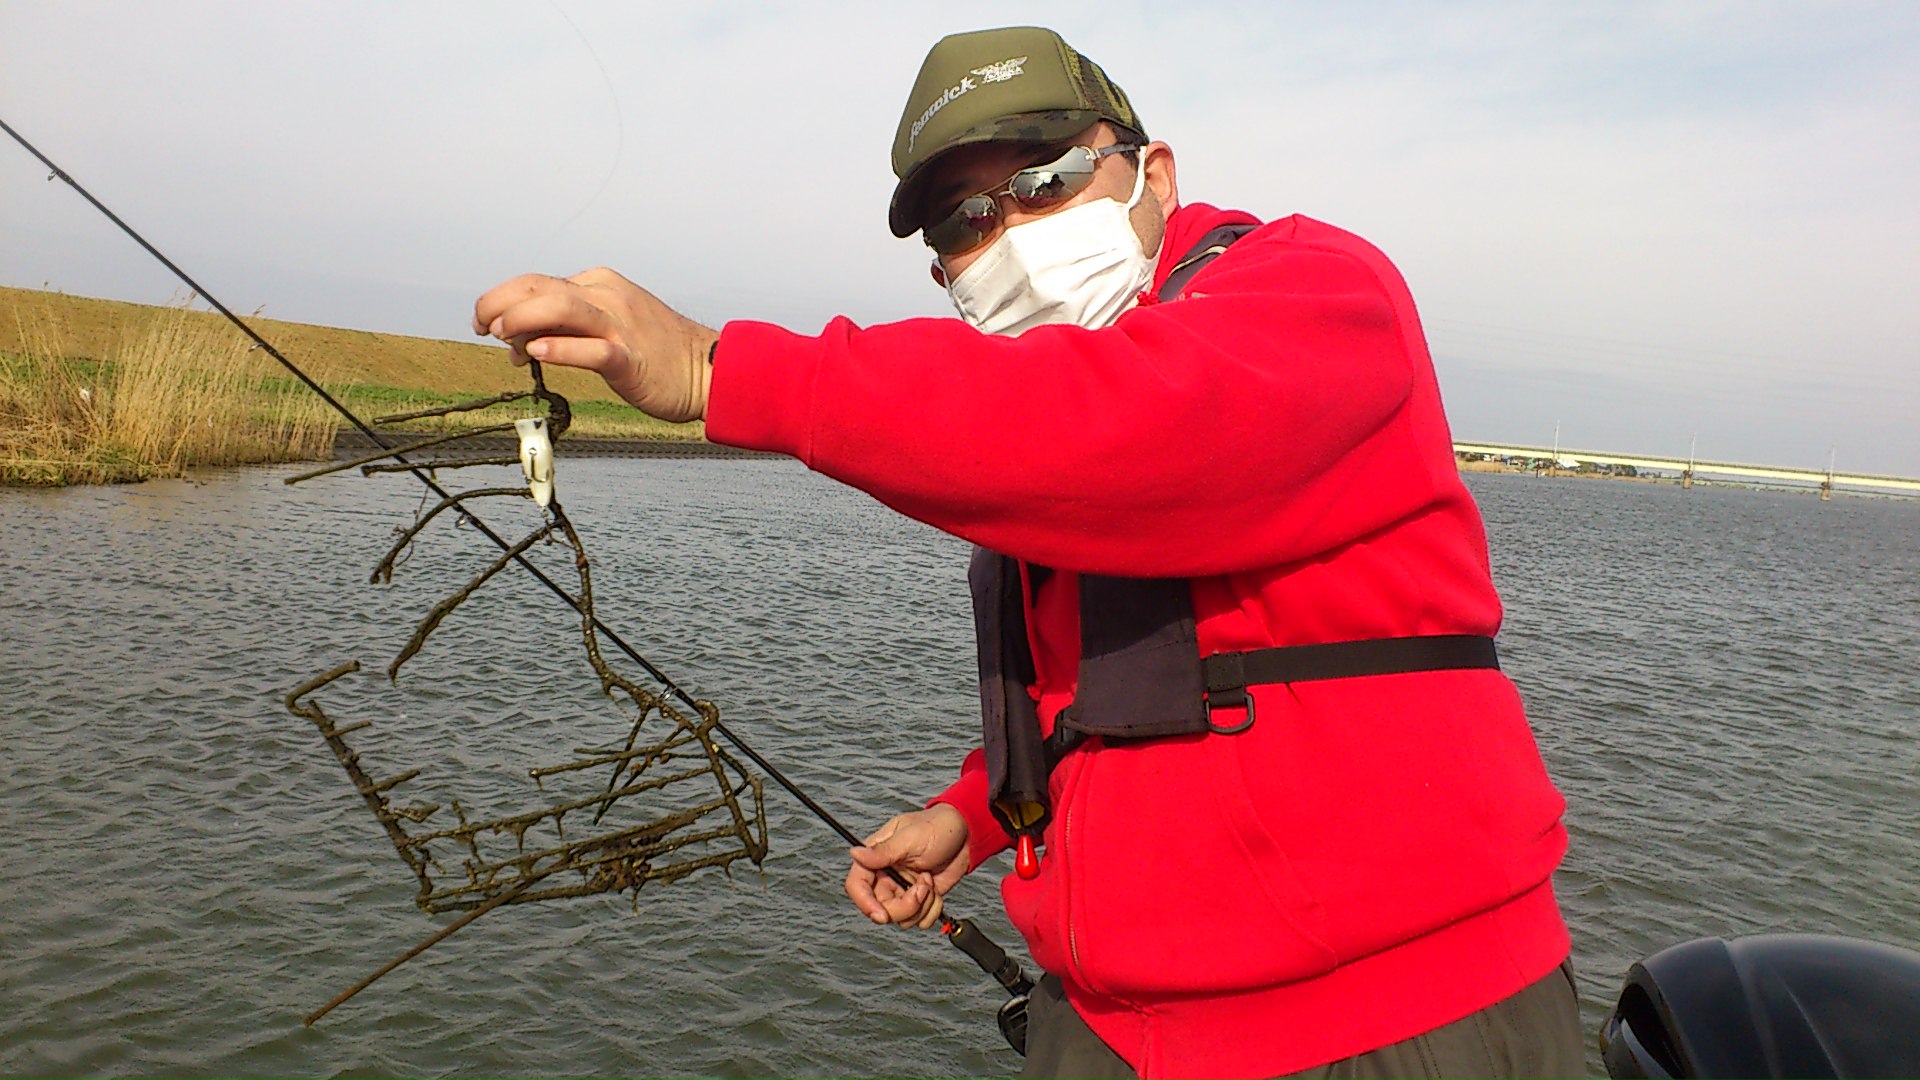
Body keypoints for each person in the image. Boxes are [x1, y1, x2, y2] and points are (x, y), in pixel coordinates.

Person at [473, 25, 1584, 1080]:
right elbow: (1106, 686)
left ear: (1155, 176)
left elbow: (1125, 430)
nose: (1007, 231)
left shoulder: (1315, 289)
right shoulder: (1042, 420)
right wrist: (977, 815)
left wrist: (720, 370)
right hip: (1100, 1026)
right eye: (964, 221)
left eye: (1047, 181)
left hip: (1397, 1024)